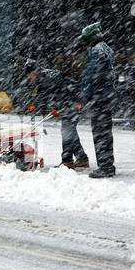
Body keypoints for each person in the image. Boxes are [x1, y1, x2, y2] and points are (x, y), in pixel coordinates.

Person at [24, 58, 89, 169]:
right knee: (70, 133)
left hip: (73, 104)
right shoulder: (43, 78)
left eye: (29, 75)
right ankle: (82, 159)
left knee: (67, 133)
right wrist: (35, 107)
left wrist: (62, 107)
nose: (28, 78)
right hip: (68, 105)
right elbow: (42, 96)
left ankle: (67, 161)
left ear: (35, 72)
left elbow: (64, 93)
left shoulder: (50, 78)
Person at [80, 22, 118, 178]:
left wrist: (84, 96)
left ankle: (105, 166)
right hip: (107, 97)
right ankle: (108, 163)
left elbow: (92, 77)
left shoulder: (96, 52)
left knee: (100, 133)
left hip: (99, 98)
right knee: (106, 133)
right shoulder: (107, 49)